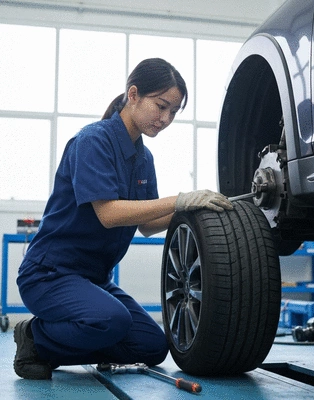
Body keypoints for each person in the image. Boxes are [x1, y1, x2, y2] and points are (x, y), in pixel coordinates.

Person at [14, 58, 233, 380]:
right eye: (161, 106)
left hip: (93, 279)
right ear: (133, 95)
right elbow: (109, 214)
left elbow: (146, 225)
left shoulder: (143, 157)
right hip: (49, 274)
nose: (166, 118)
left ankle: (67, 340)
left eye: (173, 112)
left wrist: (194, 209)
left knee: (152, 347)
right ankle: (35, 337)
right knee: (109, 321)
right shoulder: (92, 141)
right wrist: (180, 199)